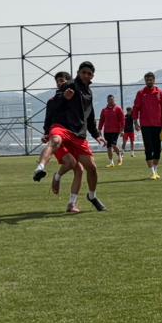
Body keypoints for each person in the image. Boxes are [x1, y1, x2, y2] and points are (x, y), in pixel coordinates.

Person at [49, 62, 107, 213]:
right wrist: (46, 131)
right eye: (83, 72)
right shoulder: (69, 86)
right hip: (63, 135)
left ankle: (91, 197)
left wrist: (97, 135)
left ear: (92, 76)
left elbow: (90, 116)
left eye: (89, 73)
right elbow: (52, 106)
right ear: (78, 73)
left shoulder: (88, 93)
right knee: (74, 166)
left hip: (78, 136)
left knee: (91, 168)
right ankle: (58, 180)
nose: (86, 75)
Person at [35, 71, 79, 195]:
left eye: (62, 81)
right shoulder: (52, 101)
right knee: (56, 143)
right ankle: (40, 167)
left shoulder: (76, 100)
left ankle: (57, 177)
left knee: (76, 166)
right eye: (58, 81)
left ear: (69, 82)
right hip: (58, 134)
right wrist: (46, 133)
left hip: (74, 136)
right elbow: (48, 119)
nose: (59, 83)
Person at [131, 72, 162, 179]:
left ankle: (156, 170)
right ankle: (152, 172)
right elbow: (136, 108)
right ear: (145, 81)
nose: (149, 81)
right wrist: (135, 122)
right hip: (145, 126)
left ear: (154, 80)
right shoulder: (140, 93)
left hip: (158, 126)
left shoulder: (159, 93)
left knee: (157, 149)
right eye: (147, 80)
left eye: (150, 80)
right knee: (148, 148)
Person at [99, 94, 127, 167]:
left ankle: (119, 156)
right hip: (106, 131)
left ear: (114, 100)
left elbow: (122, 120)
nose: (110, 101)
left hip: (115, 130)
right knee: (109, 147)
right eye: (109, 100)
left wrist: (122, 130)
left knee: (113, 145)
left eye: (112, 99)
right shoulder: (104, 110)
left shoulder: (118, 109)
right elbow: (101, 120)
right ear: (107, 100)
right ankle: (111, 162)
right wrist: (99, 129)